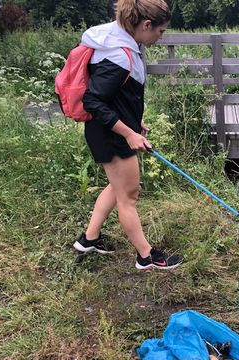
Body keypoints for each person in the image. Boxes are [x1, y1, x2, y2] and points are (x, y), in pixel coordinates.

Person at [73, 0, 182, 270]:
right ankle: (146, 256)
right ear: (146, 25)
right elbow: (93, 102)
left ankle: (89, 238)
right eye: (161, 31)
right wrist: (128, 133)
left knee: (117, 187)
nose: (160, 36)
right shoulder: (119, 55)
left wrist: (135, 122)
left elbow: (118, 96)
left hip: (109, 130)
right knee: (129, 196)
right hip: (110, 134)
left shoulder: (120, 40)